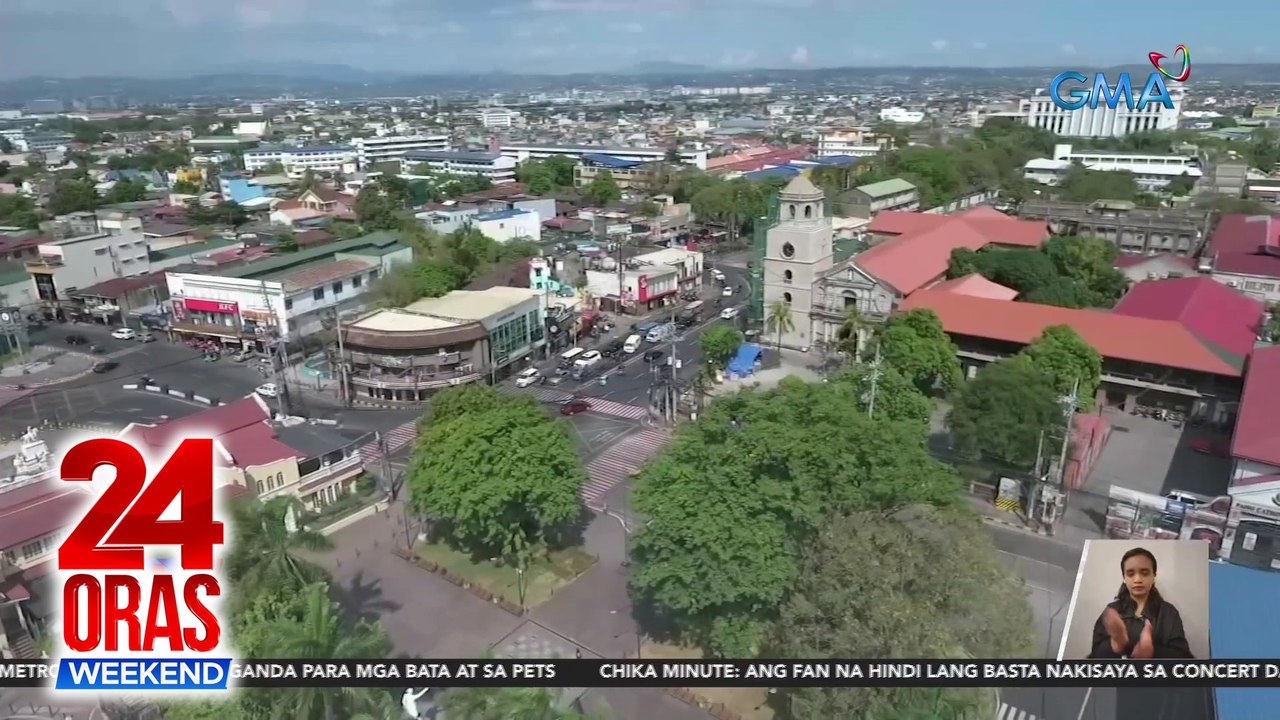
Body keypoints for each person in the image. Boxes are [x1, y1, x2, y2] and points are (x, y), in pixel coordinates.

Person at [1088, 547, 1193, 659]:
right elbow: (1095, 657)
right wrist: (1115, 645)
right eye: (1130, 574)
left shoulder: (1168, 612)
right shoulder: (1111, 612)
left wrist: (1152, 652)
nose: (1137, 579)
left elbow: (1183, 656)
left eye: (1145, 573)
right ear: (1124, 577)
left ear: (1154, 576)